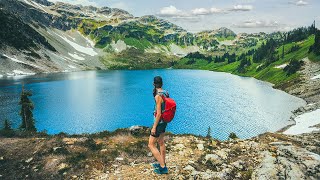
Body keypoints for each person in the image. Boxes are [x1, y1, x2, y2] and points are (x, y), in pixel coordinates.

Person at [148, 76, 169, 174]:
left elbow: (159, 113)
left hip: (159, 123)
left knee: (151, 144)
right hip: (164, 122)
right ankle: (162, 162)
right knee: (161, 142)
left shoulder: (158, 96)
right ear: (162, 83)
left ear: (154, 84)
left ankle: (163, 167)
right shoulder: (166, 93)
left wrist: (154, 127)